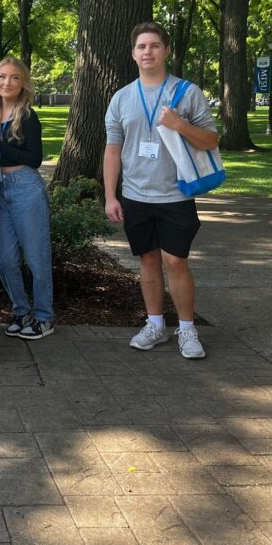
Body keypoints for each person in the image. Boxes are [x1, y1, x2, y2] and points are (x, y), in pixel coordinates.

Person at [104, 21, 219, 359]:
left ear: (166, 50)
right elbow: (113, 149)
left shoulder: (187, 92)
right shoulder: (122, 98)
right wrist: (111, 195)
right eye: (142, 47)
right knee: (148, 259)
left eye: (154, 45)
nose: (148, 52)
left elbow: (211, 140)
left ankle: (187, 329)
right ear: (133, 54)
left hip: (176, 195)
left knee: (175, 260)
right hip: (136, 196)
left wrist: (179, 125)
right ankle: (155, 325)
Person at [0, 58, 54, 340]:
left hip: (25, 187)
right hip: (0, 189)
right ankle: (20, 311)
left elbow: (34, 159)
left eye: (14, 78)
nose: (7, 83)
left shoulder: (27, 115)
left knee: (36, 259)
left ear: (23, 83)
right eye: (2, 77)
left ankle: (44, 317)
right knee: (5, 261)